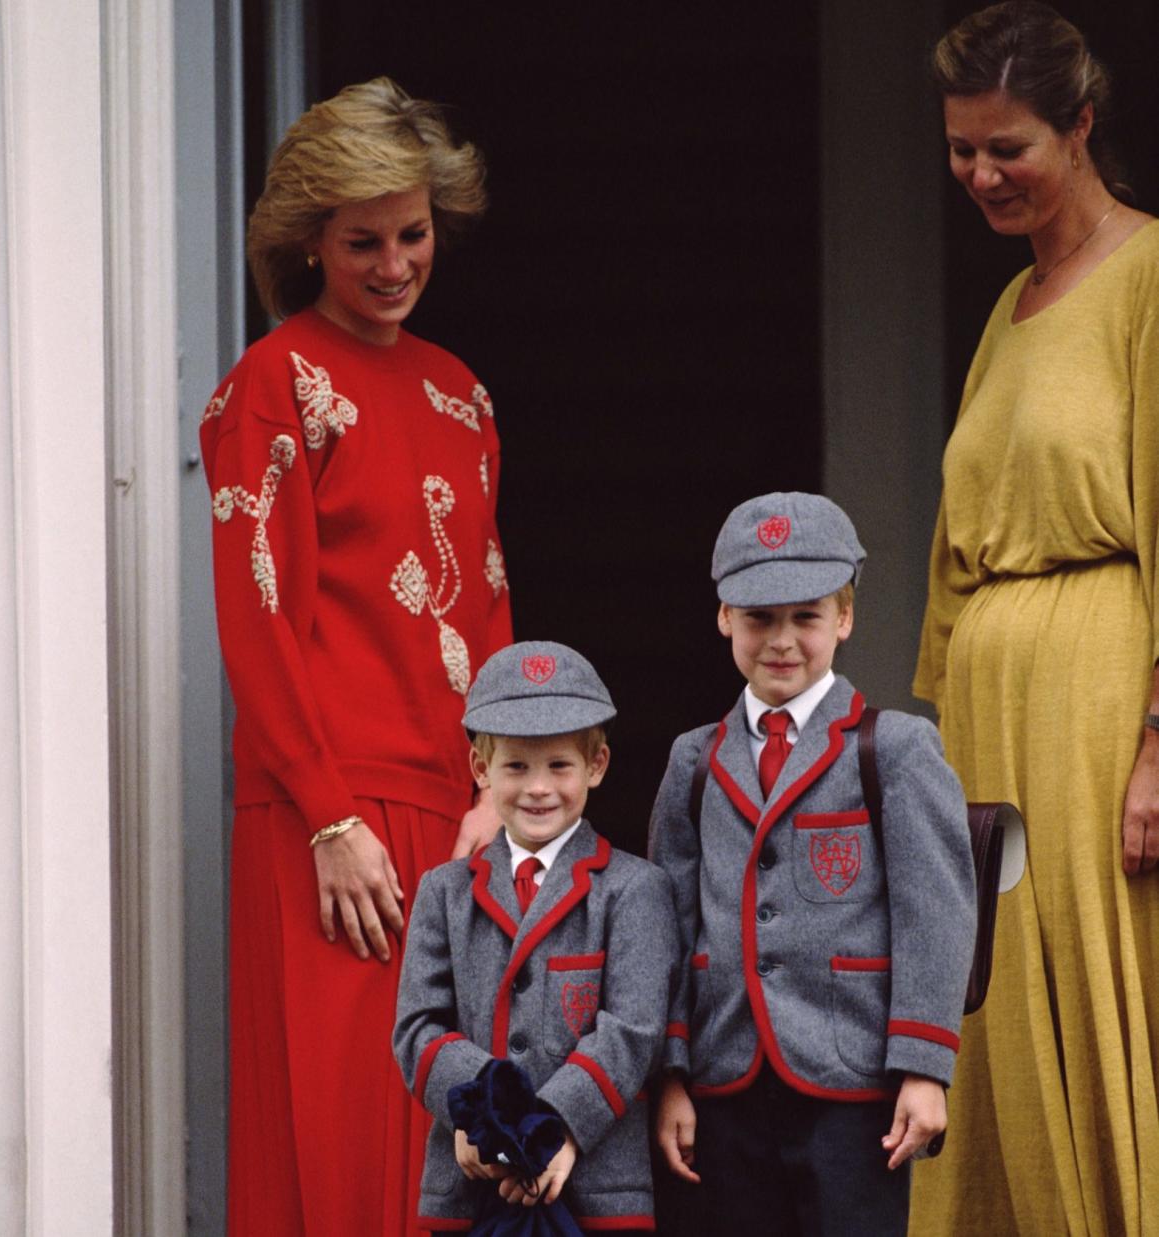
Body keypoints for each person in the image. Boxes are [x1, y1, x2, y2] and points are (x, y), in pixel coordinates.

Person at [199, 77, 512, 1235]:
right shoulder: (275, 383)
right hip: (325, 816)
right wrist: (329, 818)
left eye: (413, 234)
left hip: (452, 809)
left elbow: (488, 609)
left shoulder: (462, 396)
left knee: (453, 1143)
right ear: (310, 242)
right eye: (362, 242)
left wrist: (501, 791)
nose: (393, 264)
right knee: (335, 1142)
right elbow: (257, 618)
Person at [909, 5, 1159, 1234]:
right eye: (962, 151)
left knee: (1087, 987)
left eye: (1009, 147)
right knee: (987, 1001)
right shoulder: (1008, 313)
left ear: (1082, 126)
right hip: (988, 714)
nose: (982, 175)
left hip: (1100, 695)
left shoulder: (1150, 276)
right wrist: (924, 750)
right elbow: (956, 555)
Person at [648, 492, 976, 1236]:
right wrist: (670, 1071)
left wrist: (924, 1065)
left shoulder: (892, 747)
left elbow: (937, 912)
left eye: (806, 616)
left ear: (846, 618)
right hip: (723, 1077)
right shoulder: (694, 760)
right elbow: (666, 921)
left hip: (853, 1081)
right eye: (759, 617)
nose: (782, 639)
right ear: (725, 617)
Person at [393, 641, 680, 1232]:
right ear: (481, 770)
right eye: (517, 766)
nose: (539, 788)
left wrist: (555, 1127)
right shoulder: (442, 892)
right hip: (470, 1179)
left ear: (597, 765)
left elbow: (634, 1031)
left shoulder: (635, 889)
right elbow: (417, 1028)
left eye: (560, 766)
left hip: (592, 1179)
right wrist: (478, 1120)